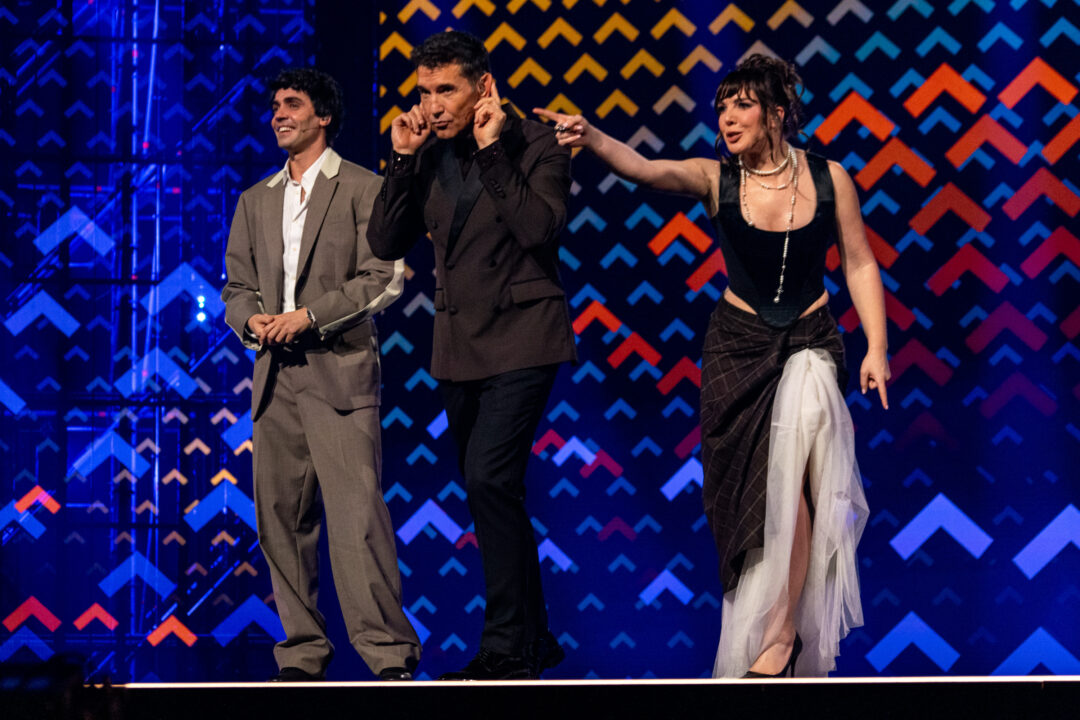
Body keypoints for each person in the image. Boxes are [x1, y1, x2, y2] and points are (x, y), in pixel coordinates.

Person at [536, 54, 889, 678]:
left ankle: (781, 635)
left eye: (743, 104)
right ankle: (769, 624)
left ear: (777, 112)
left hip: (809, 338)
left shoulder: (831, 178)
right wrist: (591, 137)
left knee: (800, 459)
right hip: (736, 349)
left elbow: (860, 262)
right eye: (722, 106)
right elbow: (647, 168)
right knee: (746, 495)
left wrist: (877, 348)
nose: (727, 117)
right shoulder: (716, 178)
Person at [367, 30, 573, 680]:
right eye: (423, 92)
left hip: (523, 335)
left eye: (445, 90)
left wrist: (490, 151)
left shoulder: (537, 143)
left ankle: (506, 649)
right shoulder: (427, 154)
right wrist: (401, 160)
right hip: (459, 348)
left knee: (489, 479)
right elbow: (383, 240)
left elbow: (539, 228)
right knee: (493, 492)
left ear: (483, 87)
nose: (431, 105)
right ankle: (534, 641)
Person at [221, 67, 420, 682]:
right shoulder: (255, 199)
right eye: (275, 105)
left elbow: (383, 277)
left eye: (293, 104)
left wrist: (308, 317)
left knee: (357, 519)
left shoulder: (361, 187)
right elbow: (236, 287)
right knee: (279, 520)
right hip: (275, 378)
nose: (279, 113)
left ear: (324, 116)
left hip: (338, 373)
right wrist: (254, 323)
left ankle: (388, 655)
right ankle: (303, 654)